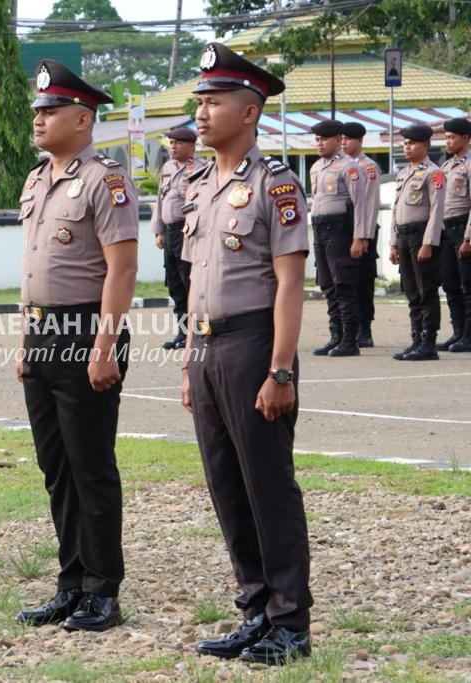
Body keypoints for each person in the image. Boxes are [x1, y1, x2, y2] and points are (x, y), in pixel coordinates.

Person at [180, 43, 313, 665]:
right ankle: (255, 608)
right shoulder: (200, 186)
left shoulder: (275, 184)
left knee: (268, 486)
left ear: (250, 112)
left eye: (214, 103)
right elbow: (193, 282)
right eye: (199, 102)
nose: (201, 114)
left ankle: (291, 621)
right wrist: (188, 359)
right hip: (206, 346)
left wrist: (280, 368)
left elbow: (289, 282)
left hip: (254, 343)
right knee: (226, 486)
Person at [13, 59, 138, 633]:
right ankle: (70, 582)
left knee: (90, 467)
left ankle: (102, 589)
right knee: (56, 468)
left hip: (86, 332)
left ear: (82, 119)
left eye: (50, 110)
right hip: (41, 334)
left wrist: (105, 345)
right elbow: (32, 268)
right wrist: (23, 338)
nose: (38, 118)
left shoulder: (105, 179)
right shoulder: (38, 178)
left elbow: (121, 269)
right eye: (37, 109)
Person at [308, 119, 375, 357]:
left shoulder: (351, 167)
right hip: (320, 230)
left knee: (344, 285)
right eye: (317, 139)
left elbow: (362, 205)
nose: (319, 143)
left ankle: (349, 339)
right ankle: (335, 335)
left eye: (324, 139)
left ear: (338, 140)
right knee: (327, 284)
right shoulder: (316, 167)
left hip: (340, 230)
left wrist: (360, 237)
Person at [389, 124, 445, 361]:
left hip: (420, 235)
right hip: (403, 236)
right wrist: (392, 243)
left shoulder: (434, 173)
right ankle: (416, 340)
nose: (407, 147)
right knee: (411, 291)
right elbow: (395, 210)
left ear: (425, 145)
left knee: (426, 290)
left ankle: (428, 342)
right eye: (405, 143)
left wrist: (428, 243)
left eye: (411, 143)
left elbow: (436, 210)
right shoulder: (404, 173)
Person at [152, 127, 204, 349]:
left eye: (178, 143)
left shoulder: (200, 169)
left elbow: (202, 204)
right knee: (175, 287)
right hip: (170, 232)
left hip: (188, 232)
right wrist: (158, 230)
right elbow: (161, 200)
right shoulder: (167, 168)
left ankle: (198, 335)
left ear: (192, 146)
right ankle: (182, 335)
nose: (172, 147)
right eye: (171, 143)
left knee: (191, 284)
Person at [340, 122, 382, 347]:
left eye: (348, 139)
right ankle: (347, 329)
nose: (344, 143)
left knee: (363, 282)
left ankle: (365, 329)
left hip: (364, 230)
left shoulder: (368, 167)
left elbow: (370, 203)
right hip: (342, 230)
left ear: (360, 141)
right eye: (342, 138)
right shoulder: (337, 165)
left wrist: (364, 235)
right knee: (345, 282)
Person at [437, 118, 471, 352]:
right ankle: (458, 331)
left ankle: (469, 335)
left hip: (463, 227)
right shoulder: (447, 166)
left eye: (452, 137)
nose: (447, 141)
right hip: (446, 229)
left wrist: (469, 238)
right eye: (446, 137)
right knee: (450, 284)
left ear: (465, 138)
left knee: (467, 285)